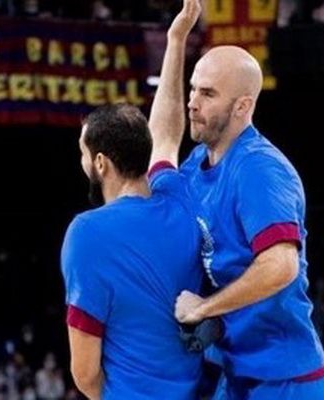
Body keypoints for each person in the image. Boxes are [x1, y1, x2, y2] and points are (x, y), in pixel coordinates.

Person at [154, 4, 324, 398]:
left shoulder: (259, 169)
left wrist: (203, 308)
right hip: (237, 372)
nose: (193, 102)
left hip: (284, 380)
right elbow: (162, 141)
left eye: (208, 93)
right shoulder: (198, 163)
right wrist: (176, 41)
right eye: (193, 89)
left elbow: (280, 265)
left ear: (242, 106)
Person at [60, 4, 213, 393]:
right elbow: (166, 134)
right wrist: (175, 40)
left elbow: (85, 373)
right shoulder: (178, 197)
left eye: (82, 153)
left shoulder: (86, 233)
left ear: (100, 163)